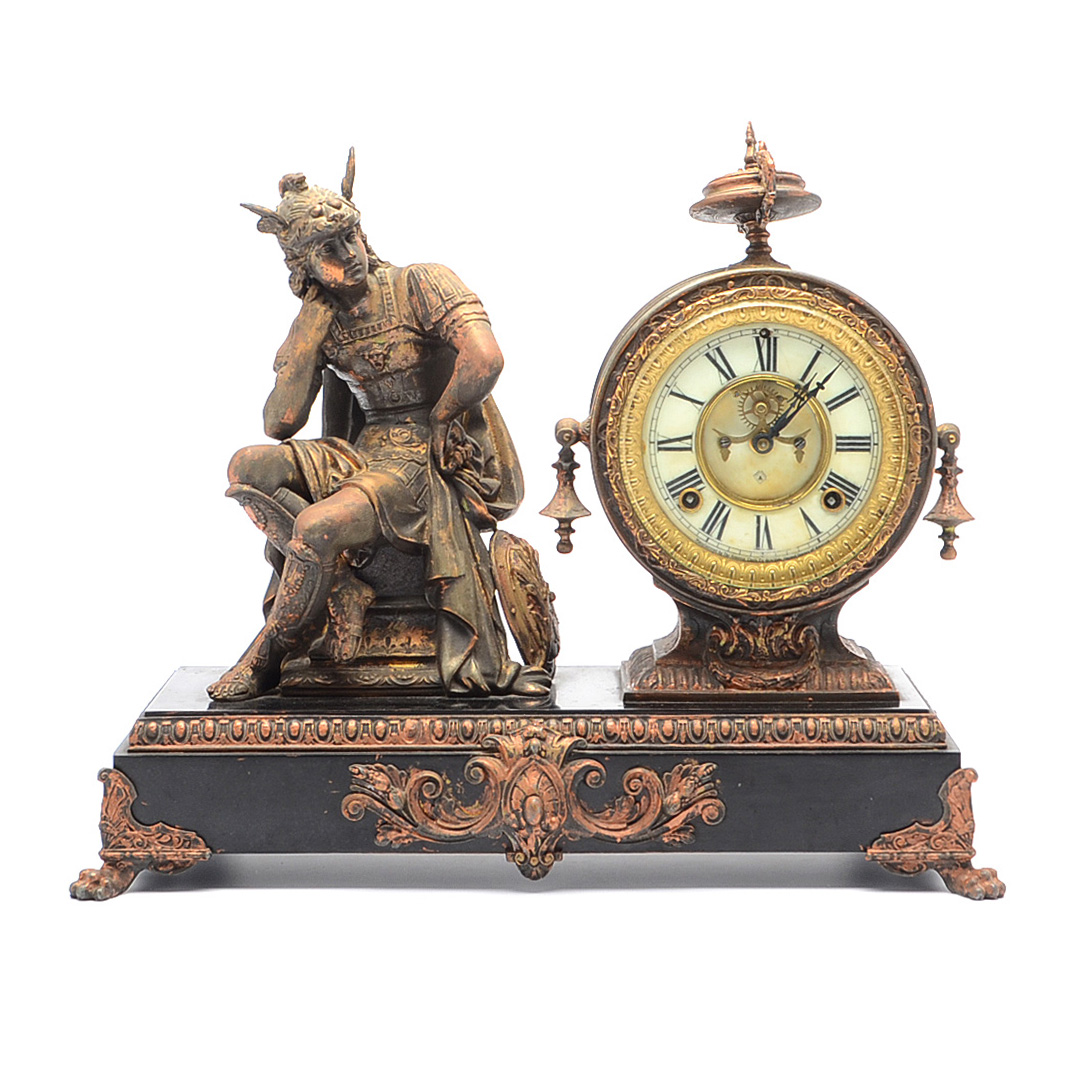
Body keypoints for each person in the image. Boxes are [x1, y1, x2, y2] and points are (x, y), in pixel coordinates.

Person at [208, 152, 548, 700]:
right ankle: (341, 583)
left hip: (423, 457)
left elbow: (485, 358)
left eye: (351, 236)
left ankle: (266, 654)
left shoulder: (419, 283)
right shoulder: (322, 320)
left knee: (317, 526)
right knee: (247, 468)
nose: (349, 254)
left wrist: (443, 416)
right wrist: (309, 330)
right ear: (303, 266)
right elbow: (281, 422)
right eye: (329, 249)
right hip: (364, 451)